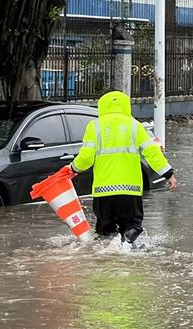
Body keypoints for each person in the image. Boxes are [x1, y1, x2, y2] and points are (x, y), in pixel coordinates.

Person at [67, 91, 178, 245]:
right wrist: (168, 174)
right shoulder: (135, 126)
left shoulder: (95, 126)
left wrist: (73, 168)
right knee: (132, 226)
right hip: (129, 191)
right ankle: (126, 247)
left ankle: (106, 258)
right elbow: (152, 153)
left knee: (105, 231)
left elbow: (86, 157)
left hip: (103, 192)